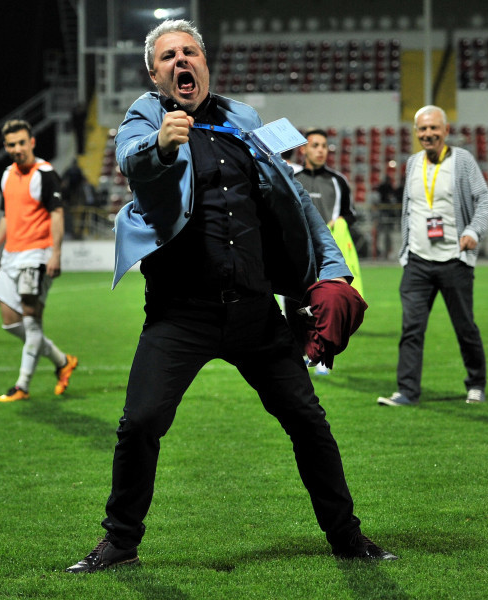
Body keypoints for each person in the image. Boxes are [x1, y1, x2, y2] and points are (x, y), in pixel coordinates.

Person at [65, 19, 396, 573]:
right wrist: (161, 145)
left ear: (204, 61)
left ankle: (347, 537)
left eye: (188, 51)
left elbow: (293, 201)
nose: (180, 61)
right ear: (155, 73)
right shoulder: (146, 117)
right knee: (141, 423)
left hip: (253, 309)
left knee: (308, 420)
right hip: (180, 311)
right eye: (168, 56)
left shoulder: (244, 119)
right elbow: (131, 159)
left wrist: (334, 273)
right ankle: (120, 542)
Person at [377, 106, 488, 407]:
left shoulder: (463, 161)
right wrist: (405, 251)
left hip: (455, 260)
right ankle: (407, 391)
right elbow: (411, 209)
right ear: (415, 132)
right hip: (417, 261)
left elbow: (484, 201)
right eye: (422, 129)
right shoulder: (413, 163)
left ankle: (477, 383)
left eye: (433, 128)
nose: (428, 134)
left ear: (446, 129)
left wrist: (474, 232)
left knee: (464, 326)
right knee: (411, 329)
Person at [0, 119, 78, 402]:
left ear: (32, 142)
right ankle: (62, 361)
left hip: (36, 256)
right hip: (11, 256)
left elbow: (57, 215)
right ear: (5, 147)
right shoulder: (6, 175)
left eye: (22, 143)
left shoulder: (46, 174)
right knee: (11, 321)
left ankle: (22, 385)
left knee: (32, 323)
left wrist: (56, 253)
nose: (17, 149)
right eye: (11, 145)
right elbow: (7, 216)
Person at [290, 128, 360, 375]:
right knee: (295, 303)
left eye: (324, 146)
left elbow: (350, 213)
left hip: (327, 254)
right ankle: (298, 353)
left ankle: (322, 354)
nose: (320, 150)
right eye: (315, 145)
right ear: (303, 149)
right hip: (297, 252)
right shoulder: (291, 176)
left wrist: (339, 222)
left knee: (325, 304)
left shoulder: (338, 180)